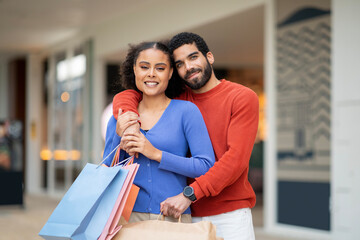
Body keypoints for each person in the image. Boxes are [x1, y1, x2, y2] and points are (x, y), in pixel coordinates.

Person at [112, 32, 259, 240]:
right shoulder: (178, 100)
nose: (188, 67)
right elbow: (131, 94)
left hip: (229, 214)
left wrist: (189, 194)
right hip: (184, 214)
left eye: (193, 57)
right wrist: (127, 118)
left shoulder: (242, 97)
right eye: (180, 63)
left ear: (209, 57)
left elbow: (235, 161)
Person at [102, 41, 215, 224]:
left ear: (170, 73)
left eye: (160, 68)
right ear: (135, 70)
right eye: (144, 67)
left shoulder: (186, 112)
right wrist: (118, 135)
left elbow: (205, 166)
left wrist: (155, 153)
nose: (151, 74)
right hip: (126, 218)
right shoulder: (120, 116)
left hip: (172, 216)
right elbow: (107, 169)